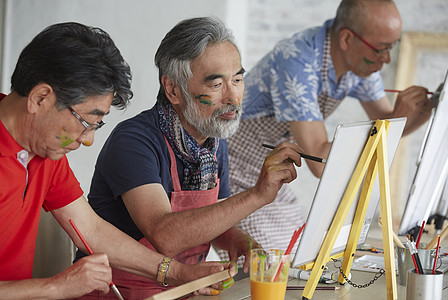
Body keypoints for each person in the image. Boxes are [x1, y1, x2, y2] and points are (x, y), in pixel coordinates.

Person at [0, 22, 238, 299]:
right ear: (41, 98)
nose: (88, 140)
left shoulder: (44, 151)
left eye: (96, 125)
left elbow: (91, 229)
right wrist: (56, 287)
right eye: (85, 122)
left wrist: (177, 273)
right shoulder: (123, 139)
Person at [75, 16, 303, 298]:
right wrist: (257, 195)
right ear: (173, 89)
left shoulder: (214, 139)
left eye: (238, 79)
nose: (233, 97)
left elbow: (211, 221)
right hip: (121, 292)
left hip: (186, 289)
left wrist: (239, 240)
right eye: (217, 84)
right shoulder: (134, 140)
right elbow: (166, 236)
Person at [223, 0, 434, 258]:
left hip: (272, 171)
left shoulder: (360, 62)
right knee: (271, 265)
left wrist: (429, 109)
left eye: (392, 47)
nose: (387, 58)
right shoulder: (297, 61)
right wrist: (396, 119)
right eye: (381, 49)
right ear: (347, 39)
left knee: (299, 257)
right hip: (233, 173)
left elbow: (386, 129)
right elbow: (319, 161)